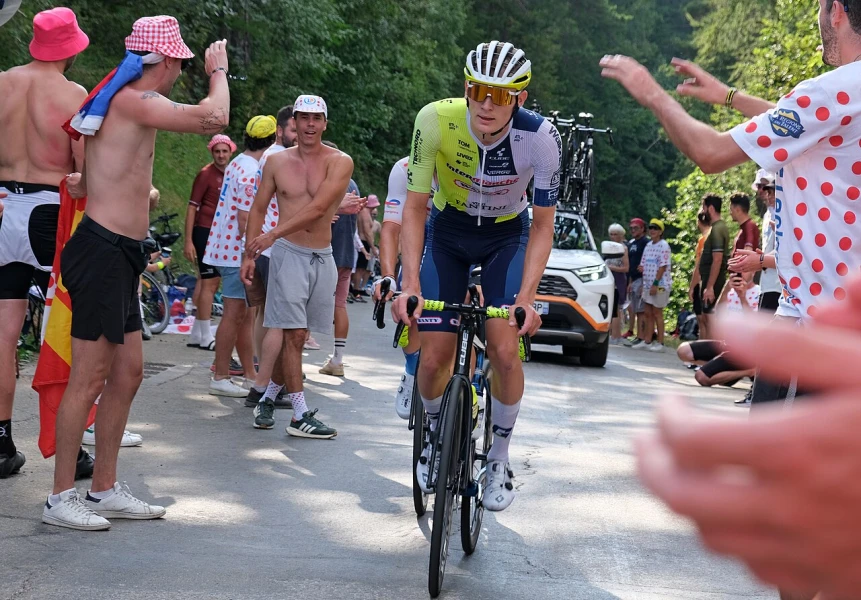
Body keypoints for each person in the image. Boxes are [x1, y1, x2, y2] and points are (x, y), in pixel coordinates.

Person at [602, 1, 861, 595]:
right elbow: (802, 122)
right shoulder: (840, 102)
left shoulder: (832, 89)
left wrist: (652, 94)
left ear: (838, 12)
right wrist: (728, 95)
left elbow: (713, 153)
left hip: (814, 335)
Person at [43, 16, 230, 530]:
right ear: (166, 61)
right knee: (89, 376)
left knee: (126, 372)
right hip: (102, 251)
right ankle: (61, 496)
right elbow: (214, 118)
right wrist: (219, 73)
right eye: (180, 64)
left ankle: (103, 488)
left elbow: (97, 164)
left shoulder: (119, 99)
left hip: (121, 251)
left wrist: (97, 183)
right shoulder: (131, 99)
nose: (180, 72)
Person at [392, 41, 562, 511]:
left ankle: (499, 458)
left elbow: (543, 226)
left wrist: (527, 297)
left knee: (506, 350)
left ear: (520, 99)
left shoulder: (542, 139)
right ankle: (431, 435)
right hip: (447, 233)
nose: (488, 103)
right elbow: (413, 208)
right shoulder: (434, 120)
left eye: (502, 95)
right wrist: (409, 285)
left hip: (507, 237)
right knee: (431, 360)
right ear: (466, 88)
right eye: (479, 90)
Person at [0, 7, 91, 480]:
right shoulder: (73, 94)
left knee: (3, 333)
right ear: (71, 48)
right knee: (64, 330)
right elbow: (81, 173)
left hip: (2, 208)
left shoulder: (2, 82)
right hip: (47, 213)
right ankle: (70, 449)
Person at [242, 94, 352, 439]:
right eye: (302, 118)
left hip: (323, 254)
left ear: (324, 124)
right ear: (293, 124)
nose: (309, 125)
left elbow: (321, 208)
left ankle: (267, 397)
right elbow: (258, 206)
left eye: (316, 119)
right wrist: (249, 253)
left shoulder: (340, 161)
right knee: (291, 334)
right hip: (288, 254)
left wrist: (270, 235)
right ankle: (300, 414)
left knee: (301, 335)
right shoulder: (276, 162)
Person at [203, 116, 275, 398]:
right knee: (233, 315)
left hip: (229, 249)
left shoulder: (240, 163)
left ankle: (249, 374)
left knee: (244, 315)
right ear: (271, 141)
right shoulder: (250, 171)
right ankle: (220, 374)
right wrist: (252, 253)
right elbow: (246, 218)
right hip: (235, 253)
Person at [243, 105, 296, 409]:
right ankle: (267, 386)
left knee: (265, 314)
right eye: (292, 128)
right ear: (279, 130)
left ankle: (263, 381)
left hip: (265, 245)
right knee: (279, 318)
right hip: (276, 247)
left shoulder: (268, 157)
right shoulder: (279, 158)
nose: (298, 134)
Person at [375, 155, 435, 419]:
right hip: (417, 237)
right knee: (406, 304)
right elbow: (391, 228)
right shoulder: (404, 168)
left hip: (457, 238)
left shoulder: (467, 162)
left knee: (466, 305)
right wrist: (388, 275)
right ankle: (412, 369)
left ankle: (473, 384)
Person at [183, 134, 235, 350]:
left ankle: (196, 333)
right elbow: (192, 206)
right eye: (217, 151)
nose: (221, 155)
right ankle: (205, 336)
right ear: (211, 152)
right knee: (210, 283)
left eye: (224, 151)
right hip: (205, 232)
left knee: (207, 282)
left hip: (221, 233)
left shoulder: (233, 172)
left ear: (231, 151)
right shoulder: (206, 174)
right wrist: (188, 240)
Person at [677, 272, 759, 388]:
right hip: (727, 345)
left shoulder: (759, 292)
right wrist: (726, 290)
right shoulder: (730, 291)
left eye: (744, 270)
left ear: (753, 272)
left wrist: (742, 297)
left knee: (702, 377)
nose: (739, 274)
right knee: (683, 350)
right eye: (735, 270)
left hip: (745, 350)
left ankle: (751, 371)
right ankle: (726, 371)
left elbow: (755, 323)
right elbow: (718, 315)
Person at [320, 172, 364, 378]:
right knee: (340, 305)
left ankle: (294, 359)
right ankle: (337, 359)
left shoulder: (328, 182)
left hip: (325, 252)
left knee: (304, 303)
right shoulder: (352, 184)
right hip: (347, 255)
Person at [729, 170, 780, 314]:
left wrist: (759, 262)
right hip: (766, 281)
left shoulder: (786, 213)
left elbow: (789, 250)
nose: (762, 190)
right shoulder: (766, 215)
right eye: (760, 187)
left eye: (767, 186)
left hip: (780, 283)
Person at [634, 218, 671, 352]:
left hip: (660, 284)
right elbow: (643, 263)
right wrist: (644, 280)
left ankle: (660, 342)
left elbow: (662, 266)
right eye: (651, 228)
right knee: (647, 312)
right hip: (648, 283)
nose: (652, 231)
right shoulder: (648, 245)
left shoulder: (664, 246)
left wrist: (655, 283)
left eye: (655, 228)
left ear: (661, 231)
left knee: (657, 312)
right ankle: (647, 340)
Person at [698, 194, 729, 328]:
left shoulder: (717, 229)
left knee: (710, 320)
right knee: (705, 318)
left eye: (704, 208)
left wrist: (710, 287)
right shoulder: (715, 227)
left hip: (714, 282)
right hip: (708, 279)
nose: (702, 211)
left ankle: (712, 348)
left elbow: (717, 259)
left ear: (710, 208)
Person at [623, 217, 648, 346]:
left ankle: (642, 337)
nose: (633, 230)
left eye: (636, 228)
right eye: (631, 228)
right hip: (633, 279)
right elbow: (632, 264)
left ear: (643, 229)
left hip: (642, 279)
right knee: (636, 309)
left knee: (642, 310)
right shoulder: (632, 243)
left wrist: (644, 282)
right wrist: (630, 282)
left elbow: (646, 262)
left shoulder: (646, 243)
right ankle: (638, 336)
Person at [688, 211, 711, 339]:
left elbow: (699, 266)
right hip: (706, 281)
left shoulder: (705, 239)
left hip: (702, 282)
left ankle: (703, 350)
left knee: (702, 320)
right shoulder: (709, 236)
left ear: (699, 222)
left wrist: (692, 286)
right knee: (704, 320)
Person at [606, 223, 630, 345]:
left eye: (616, 234)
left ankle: (616, 336)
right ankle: (610, 334)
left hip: (619, 279)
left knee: (617, 309)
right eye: (611, 234)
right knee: (609, 308)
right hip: (607, 279)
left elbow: (626, 268)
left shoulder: (623, 248)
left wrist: (612, 267)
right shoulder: (608, 247)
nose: (613, 237)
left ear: (621, 235)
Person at [728, 191, 760, 282]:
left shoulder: (749, 226)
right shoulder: (743, 229)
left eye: (731, 209)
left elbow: (748, 252)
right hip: (737, 280)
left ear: (738, 209)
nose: (730, 213)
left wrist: (745, 280)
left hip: (744, 282)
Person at [352, 194, 379, 299]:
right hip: (363, 241)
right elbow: (367, 232)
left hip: (364, 242)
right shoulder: (365, 214)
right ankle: (356, 290)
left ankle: (357, 289)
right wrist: (373, 247)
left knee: (362, 269)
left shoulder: (365, 212)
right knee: (360, 269)